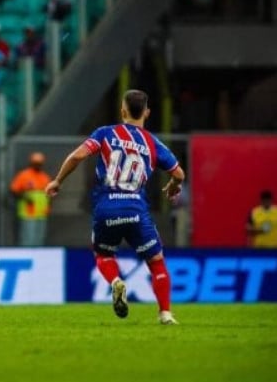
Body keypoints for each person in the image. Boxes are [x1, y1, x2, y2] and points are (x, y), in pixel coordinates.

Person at [45, 89, 185, 325]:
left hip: (106, 209)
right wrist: (173, 186)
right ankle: (165, 314)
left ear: (122, 110)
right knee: (156, 261)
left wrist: (58, 180)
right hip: (136, 211)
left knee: (103, 254)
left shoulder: (105, 133)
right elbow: (179, 173)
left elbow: (78, 156)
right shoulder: (153, 143)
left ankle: (116, 282)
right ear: (147, 113)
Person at [10, 152, 52, 246]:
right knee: (28, 240)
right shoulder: (24, 175)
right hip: (28, 213)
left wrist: (48, 206)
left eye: (39, 163)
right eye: (36, 163)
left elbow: (49, 194)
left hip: (42, 214)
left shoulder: (45, 177)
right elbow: (14, 190)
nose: (38, 165)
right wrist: (25, 197)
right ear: (31, 163)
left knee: (39, 240)